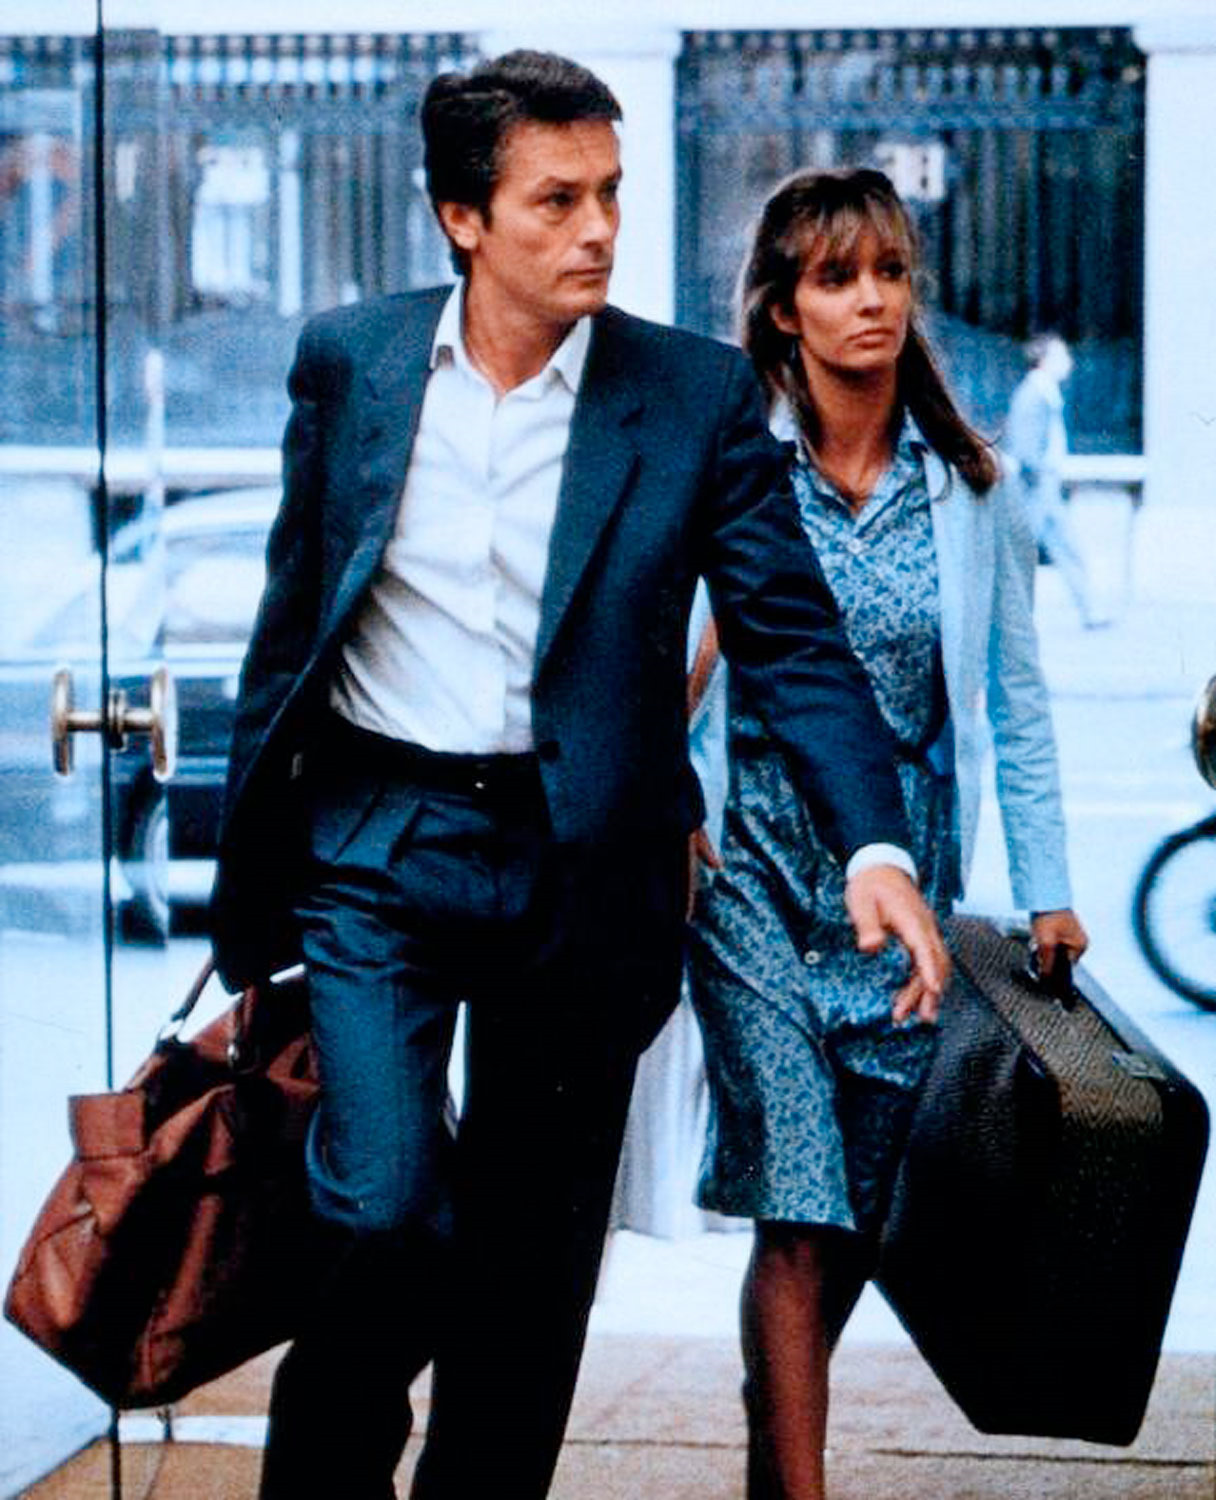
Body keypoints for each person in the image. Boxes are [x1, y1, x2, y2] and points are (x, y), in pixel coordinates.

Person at [209, 56, 949, 1500]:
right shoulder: (351, 363)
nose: (599, 227)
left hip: (586, 873)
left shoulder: (690, 394)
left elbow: (791, 638)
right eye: (557, 200)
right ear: (462, 218)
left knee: (530, 1272)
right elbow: (290, 623)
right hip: (382, 844)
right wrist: (253, 877)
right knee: (382, 1209)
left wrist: (876, 845)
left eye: (610, 192)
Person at [687, 167, 1089, 1500]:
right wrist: (676, 809)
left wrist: (1048, 887)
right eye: (835, 278)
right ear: (782, 308)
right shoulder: (736, 470)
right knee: (798, 1200)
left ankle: (774, 1438)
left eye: (891, 273)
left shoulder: (970, 488)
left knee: (854, 1208)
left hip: (906, 890)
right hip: (754, 871)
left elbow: (1016, 704)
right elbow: (667, 667)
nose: (871, 301)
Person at [1005, 331, 1105, 627]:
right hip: (1036, 487)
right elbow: (1024, 447)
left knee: (1062, 546)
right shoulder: (1033, 394)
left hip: (1042, 485)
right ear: (1045, 360)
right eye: (1061, 356)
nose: (1068, 362)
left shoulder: (1044, 392)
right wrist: (1040, 477)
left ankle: (1090, 609)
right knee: (1020, 554)